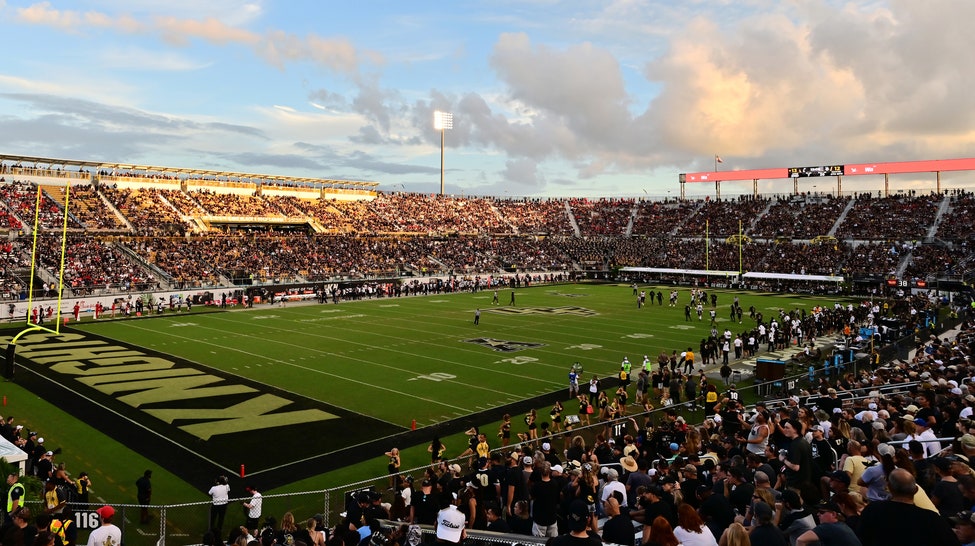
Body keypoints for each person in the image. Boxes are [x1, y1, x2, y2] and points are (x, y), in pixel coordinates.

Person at [857, 468, 959, 546]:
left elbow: (862, 538)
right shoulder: (932, 518)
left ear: (890, 488)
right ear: (915, 490)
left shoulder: (873, 510)